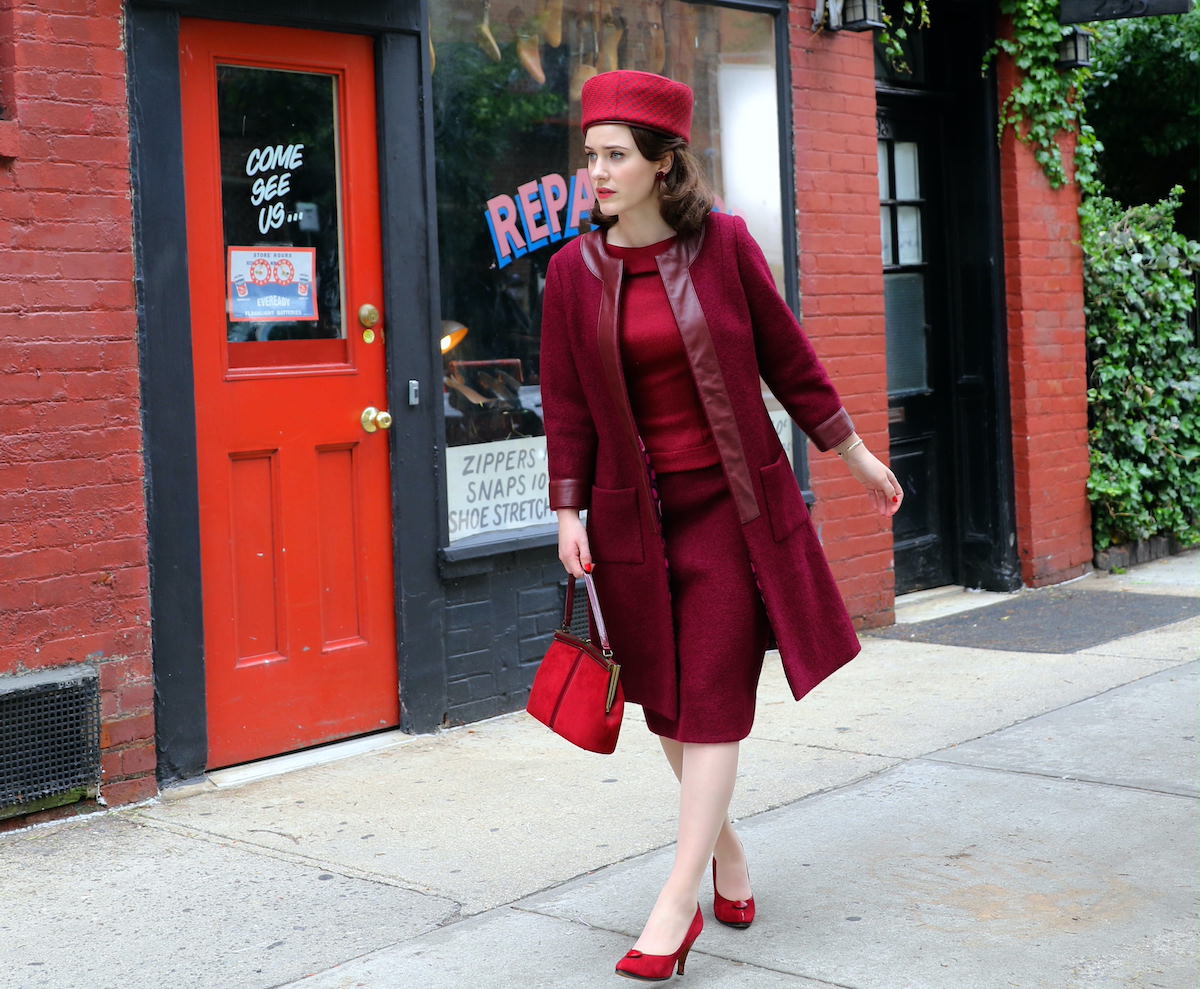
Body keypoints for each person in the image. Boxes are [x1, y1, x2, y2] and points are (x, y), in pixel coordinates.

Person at [539, 70, 903, 982]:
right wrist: (567, 510)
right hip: (632, 518)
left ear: (664, 164)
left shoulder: (727, 246)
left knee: (710, 697)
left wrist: (855, 454)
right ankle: (726, 848)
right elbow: (566, 401)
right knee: (667, 702)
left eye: (615, 156)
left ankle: (677, 901)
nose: (598, 173)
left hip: (731, 513)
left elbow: (790, 359)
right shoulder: (572, 273)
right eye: (591, 156)